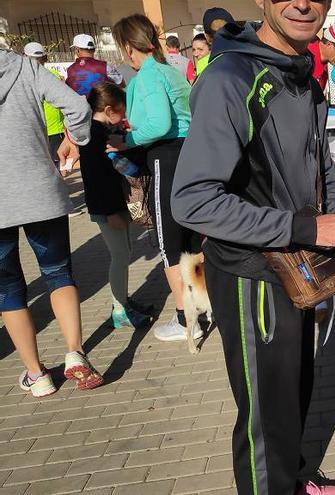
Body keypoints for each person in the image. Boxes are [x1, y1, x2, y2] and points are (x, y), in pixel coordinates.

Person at [170, 1, 335, 493]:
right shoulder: (231, 77)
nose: (303, 3)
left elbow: (322, 169)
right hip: (252, 275)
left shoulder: (303, 73)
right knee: (266, 420)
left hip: (298, 270)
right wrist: (308, 229)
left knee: (296, 393)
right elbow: (192, 202)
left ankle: (297, 479)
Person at [0, 48, 104, 397]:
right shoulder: (26, 67)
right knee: (58, 273)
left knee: (8, 290)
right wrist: (75, 140)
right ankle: (76, 354)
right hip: (39, 192)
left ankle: (36, 374)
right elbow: (78, 105)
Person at [108, 14, 195, 343]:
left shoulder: (147, 76)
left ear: (130, 47)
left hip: (165, 158)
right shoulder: (170, 71)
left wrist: (126, 141)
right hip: (186, 154)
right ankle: (200, 307)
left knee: (169, 243)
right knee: (189, 240)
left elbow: (158, 124)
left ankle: (187, 319)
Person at [81, 82, 152, 329]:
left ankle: (122, 300)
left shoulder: (100, 131)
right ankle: (120, 310)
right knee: (120, 255)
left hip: (112, 204)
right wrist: (109, 212)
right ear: (109, 109)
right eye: (122, 110)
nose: (124, 115)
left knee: (124, 253)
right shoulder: (94, 136)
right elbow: (96, 178)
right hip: (106, 206)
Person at [23, 42, 65, 169]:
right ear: (45, 58)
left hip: (36, 128)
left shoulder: (23, 79)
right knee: (56, 162)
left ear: (24, 57)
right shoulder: (54, 75)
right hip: (55, 128)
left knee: (41, 164)